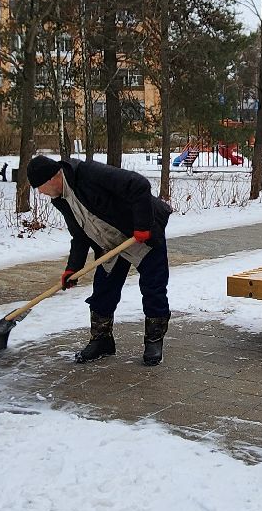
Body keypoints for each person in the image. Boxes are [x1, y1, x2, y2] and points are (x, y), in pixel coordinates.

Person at [27, 154, 173, 366]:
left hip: (142, 235)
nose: (40, 192)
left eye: (39, 187)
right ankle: (102, 341)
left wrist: (142, 225)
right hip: (111, 244)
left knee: (153, 289)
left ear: (52, 178)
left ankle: (154, 341)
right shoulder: (62, 199)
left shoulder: (88, 174)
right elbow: (79, 235)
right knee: (103, 292)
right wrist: (72, 269)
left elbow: (139, 184)